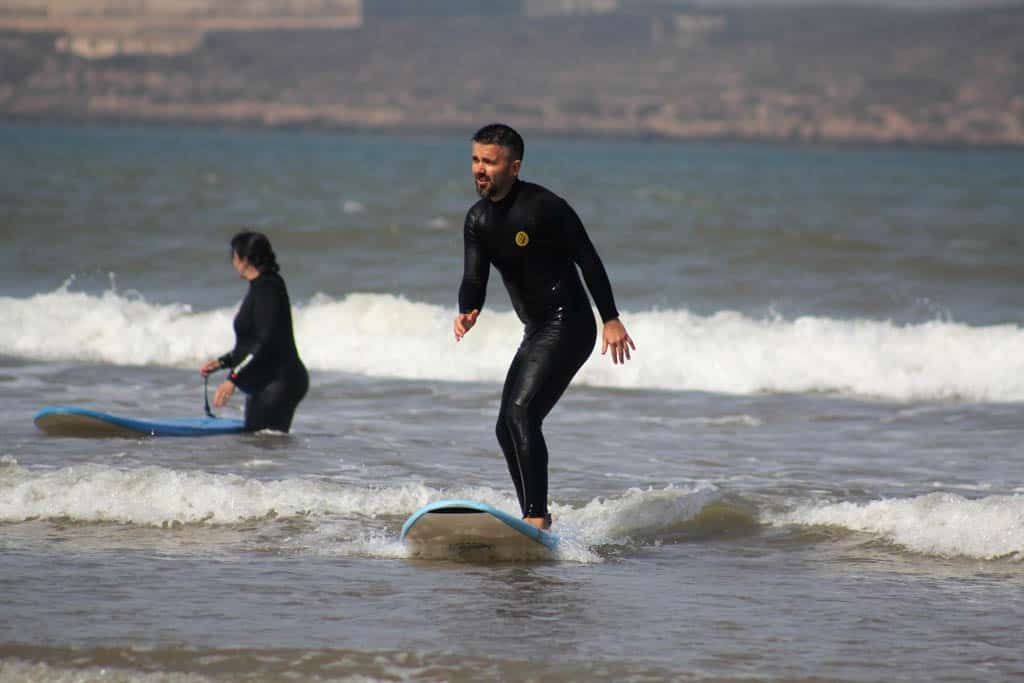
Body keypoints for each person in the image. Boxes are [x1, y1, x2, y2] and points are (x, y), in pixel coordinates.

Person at [454, 123, 636, 531]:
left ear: (514, 166)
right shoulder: (478, 219)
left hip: (570, 323)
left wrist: (610, 317)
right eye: (475, 159)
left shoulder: (544, 207)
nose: (479, 169)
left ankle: (535, 518)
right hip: (537, 327)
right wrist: (469, 309)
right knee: (506, 426)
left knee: (521, 413)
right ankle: (535, 518)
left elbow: (588, 259)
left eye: (490, 161)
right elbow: (474, 277)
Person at [200, 230, 309, 433]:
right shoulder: (261, 287)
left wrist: (233, 379)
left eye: (234, 256)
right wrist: (223, 362)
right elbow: (253, 343)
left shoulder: (268, 288)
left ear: (244, 259)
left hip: (279, 382)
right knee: (257, 446)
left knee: (265, 449)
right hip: (269, 383)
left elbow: (266, 341)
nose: (233, 262)